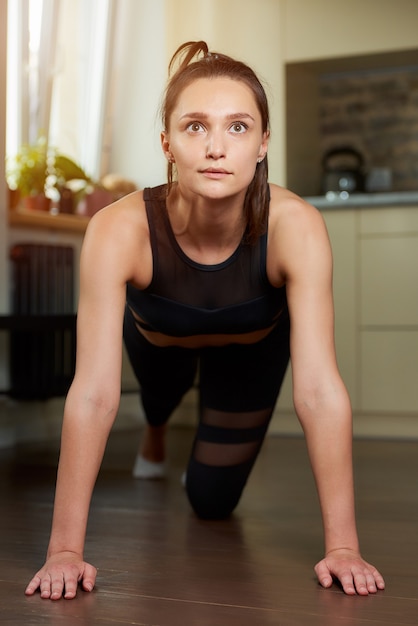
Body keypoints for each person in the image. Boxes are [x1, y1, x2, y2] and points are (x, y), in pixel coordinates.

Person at [25, 41, 385, 600]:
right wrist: (64, 552)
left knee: (211, 503)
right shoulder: (117, 229)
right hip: (159, 342)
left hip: (251, 350)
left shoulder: (298, 226)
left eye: (238, 128)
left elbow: (318, 389)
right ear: (167, 144)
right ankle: (156, 426)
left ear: (264, 144)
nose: (216, 147)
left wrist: (343, 546)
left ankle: (187, 431)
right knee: (158, 394)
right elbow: (93, 394)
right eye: (195, 127)